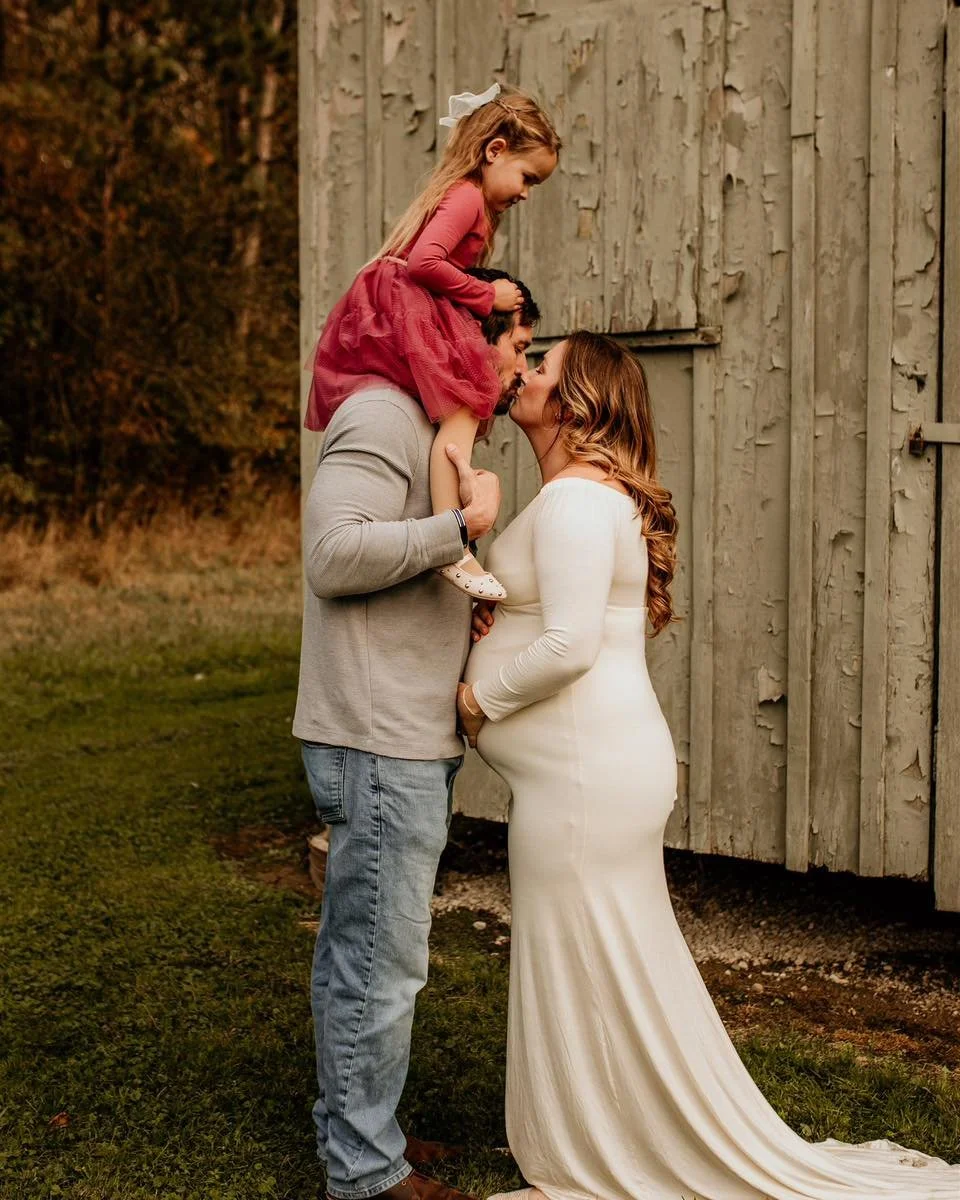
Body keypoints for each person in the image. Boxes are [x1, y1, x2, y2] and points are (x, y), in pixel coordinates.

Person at [457, 331, 960, 1200]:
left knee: (590, 958)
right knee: (596, 960)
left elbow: (571, 645)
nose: (522, 370)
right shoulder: (578, 498)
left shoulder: (579, 504)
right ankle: (599, 1136)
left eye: (541, 364)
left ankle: (603, 1154)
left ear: (578, 400)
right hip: (588, 772)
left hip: (587, 779)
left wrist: (477, 703)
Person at [294, 271, 540, 1200]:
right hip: (375, 735)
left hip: (404, 729)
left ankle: (357, 1129)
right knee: (380, 961)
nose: (521, 363)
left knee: (359, 950)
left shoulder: (433, 432)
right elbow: (333, 555)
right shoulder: (380, 416)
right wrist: (458, 528)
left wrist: (461, 596)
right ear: (469, 333)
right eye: (517, 341)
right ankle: (364, 1170)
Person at [304, 83, 559, 601]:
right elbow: (425, 262)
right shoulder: (466, 195)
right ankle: (453, 536)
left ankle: (452, 531)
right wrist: (485, 296)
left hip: (414, 300)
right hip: (405, 300)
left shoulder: (473, 198)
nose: (526, 191)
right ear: (495, 151)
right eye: (527, 176)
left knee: (461, 406)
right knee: (466, 397)